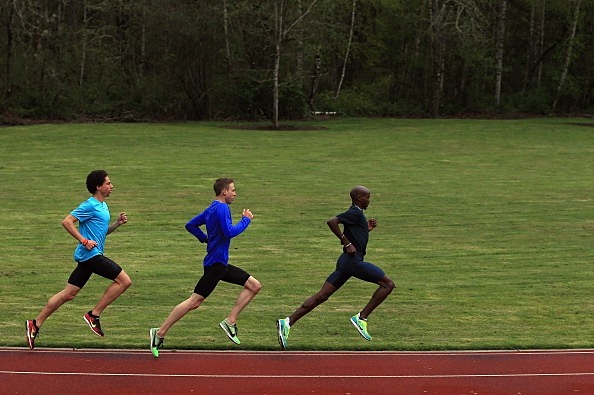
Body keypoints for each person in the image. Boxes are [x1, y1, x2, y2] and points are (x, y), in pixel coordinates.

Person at [150, 178, 261, 358]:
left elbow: (191, 225)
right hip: (216, 265)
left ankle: (230, 321)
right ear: (224, 191)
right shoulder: (222, 208)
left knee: (254, 285)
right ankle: (160, 332)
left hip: (219, 264)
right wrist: (245, 220)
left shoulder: (211, 209)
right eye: (233, 190)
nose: (235, 193)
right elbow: (228, 232)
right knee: (194, 301)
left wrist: (204, 238)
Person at [276, 186, 394, 349]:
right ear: (359, 198)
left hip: (345, 262)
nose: (369, 200)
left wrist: (366, 229)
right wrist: (346, 242)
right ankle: (362, 318)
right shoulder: (355, 212)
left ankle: (287, 322)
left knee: (322, 296)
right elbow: (332, 222)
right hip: (353, 262)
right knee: (388, 284)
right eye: (367, 197)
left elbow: (354, 233)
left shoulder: (357, 214)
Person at [25, 170, 132, 349]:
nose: (111, 186)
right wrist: (83, 240)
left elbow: (100, 234)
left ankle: (35, 324)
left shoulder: (103, 206)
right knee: (124, 281)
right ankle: (94, 315)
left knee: (68, 294)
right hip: (92, 256)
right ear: (98, 187)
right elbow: (66, 221)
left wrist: (116, 224)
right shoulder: (89, 205)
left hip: (88, 256)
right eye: (108, 183)